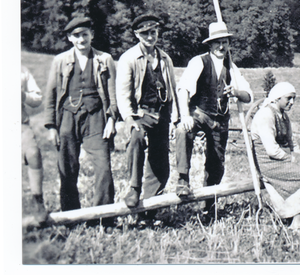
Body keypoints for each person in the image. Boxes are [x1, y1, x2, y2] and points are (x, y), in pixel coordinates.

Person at [174, 21, 252, 216]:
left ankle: (208, 205)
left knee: (217, 162)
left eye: (224, 42)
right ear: (210, 45)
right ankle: (183, 180)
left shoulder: (231, 67)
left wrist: (236, 91)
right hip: (199, 113)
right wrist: (184, 115)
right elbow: (183, 89)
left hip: (221, 119)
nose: (221, 47)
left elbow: (248, 96)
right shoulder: (199, 62)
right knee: (183, 131)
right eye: (217, 43)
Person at [43, 17, 117, 216]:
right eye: (76, 35)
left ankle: (103, 216)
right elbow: (50, 93)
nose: (81, 39)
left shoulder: (105, 59)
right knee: (67, 168)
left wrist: (111, 119)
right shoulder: (60, 61)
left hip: (96, 118)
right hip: (67, 117)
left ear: (92, 35)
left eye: (85, 34)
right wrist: (51, 127)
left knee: (103, 167)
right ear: (70, 38)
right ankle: (70, 215)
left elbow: (112, 93)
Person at [116, 14, 178, 210]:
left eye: (153, 32)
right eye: (145, 33)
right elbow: (123, 93)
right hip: (141, 114)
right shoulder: (129, 58)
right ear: (137, 35)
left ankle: (149, 210)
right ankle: (134, 187)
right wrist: (128, 118)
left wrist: (175, 119)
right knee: (136, 140)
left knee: (161, 163)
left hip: (162, 114)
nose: (150, 37)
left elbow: (173, 91)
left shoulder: (165, 59)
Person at [250, 82, 300, 229]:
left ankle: (296, 216)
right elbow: (272, 150)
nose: (292, 102)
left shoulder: (284, 117)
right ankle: (296, 222)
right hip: (270, 164)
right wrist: (294, 159)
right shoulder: (266, 115)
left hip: (284, 159)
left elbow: (292, 144)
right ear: (277, 98)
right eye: (289, 98)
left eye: (294, 99)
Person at [22, 66, 48, 225]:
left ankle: (38, 200)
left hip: (19, 125)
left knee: (33, 153)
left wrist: (23, 95)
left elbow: (37, 99)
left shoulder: (21, 71)